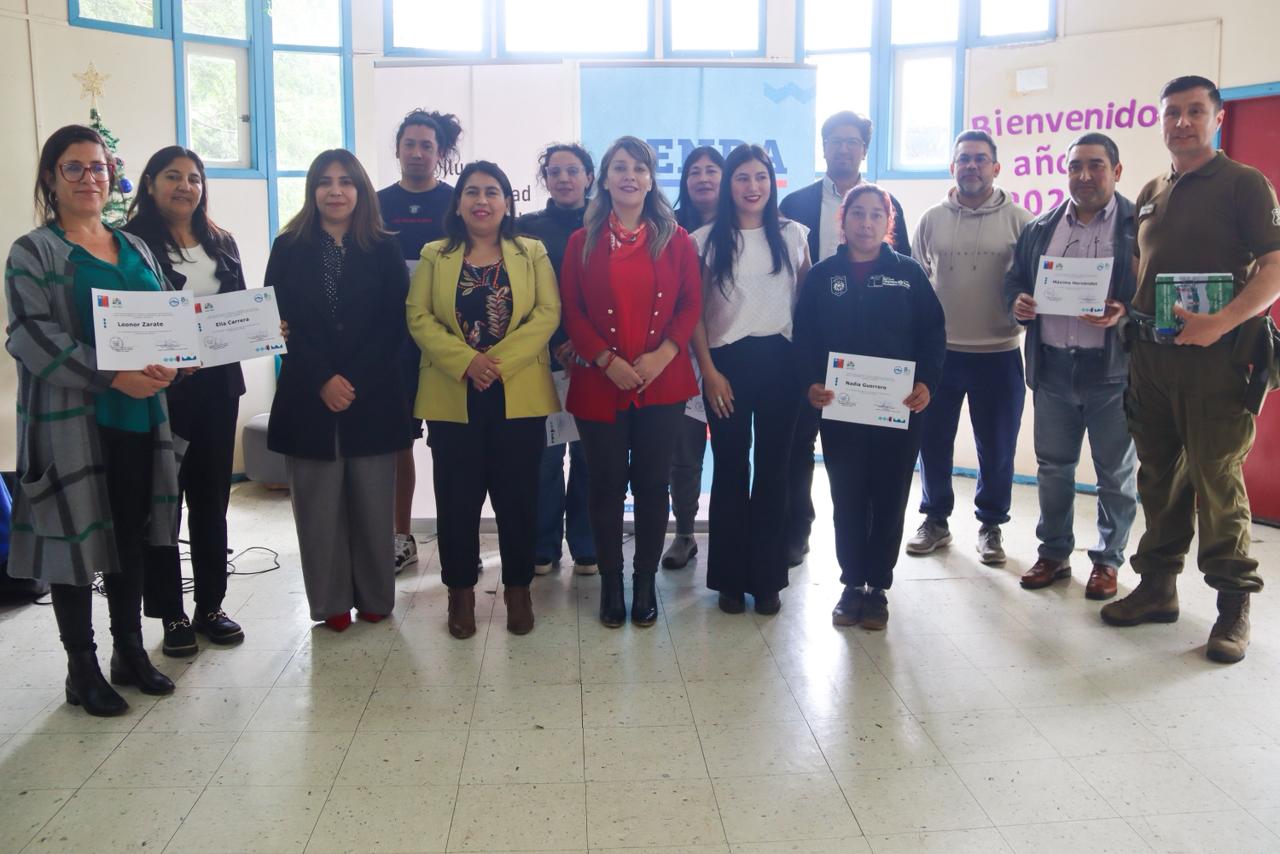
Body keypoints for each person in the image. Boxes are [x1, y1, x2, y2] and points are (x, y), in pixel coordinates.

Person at [1100, 76, 1280, 664]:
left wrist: (1222, 322)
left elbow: (1275, 268)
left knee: (1216, 478)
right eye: (1172, 112)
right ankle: (1158, 588)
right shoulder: (1152, 189)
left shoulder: (1244, 184)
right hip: (1151, 359)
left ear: (1217, 118)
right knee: (1158, 476)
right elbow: (1142, 267)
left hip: (1216, 360)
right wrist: (1124, 308)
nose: (1182, 121)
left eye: (1194, 111)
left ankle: (1233, 604)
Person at [5, 124, 182, 715]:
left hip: (136, 420)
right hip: (71, 422)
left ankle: (128, 651)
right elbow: (29, 336)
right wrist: (111, 377)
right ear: (52, 179)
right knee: (75, 543)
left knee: (131, 539)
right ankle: (80, 668)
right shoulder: (34, 251)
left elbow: (162, 321)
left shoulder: (135, 247)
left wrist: (171, 362)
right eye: (74, 168)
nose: (90, 178)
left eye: (99, 167)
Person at [409, 161, 560, 639]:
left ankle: (518, 590)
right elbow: (419, 316)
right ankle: (460, 593)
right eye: (471, 191)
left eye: (492, 191)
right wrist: (466, 362)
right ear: (458, 203)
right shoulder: (436, 253)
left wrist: (495, 363)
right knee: (457, 501)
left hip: (517, 395)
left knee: (518, 499)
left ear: (507, 202)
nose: (482, 200)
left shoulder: (531, 251)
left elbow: (547, 313)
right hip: (455, 393)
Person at [560, 136, 702, 627]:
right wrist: (604, 359)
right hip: (601, 383)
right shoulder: (581, 242)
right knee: (603, 486)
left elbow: (690, 305)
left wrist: (664, 353)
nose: (630, 176)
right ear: (603, 178)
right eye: (619, 167)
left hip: (661, 382)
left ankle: (644, 582)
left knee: (651, 483)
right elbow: (572, 311)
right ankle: (610, 585)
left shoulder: (676, 238)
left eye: (639, 169)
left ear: (650, 179)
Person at [267, 149, 410, 632]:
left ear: (361, 190)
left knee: (373, 506)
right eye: (324, 182)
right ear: (312, 191)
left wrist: (353, 382)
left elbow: (395, 325)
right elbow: (275, 324)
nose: (335, 191)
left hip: (372, 395)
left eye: (346, 182)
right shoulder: (288, 247)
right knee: (318, 511)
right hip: (308, 397)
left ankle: (374, 597)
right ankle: (330, 603)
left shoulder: (384, 246)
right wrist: (321, 378)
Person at [793, 183, 946, 630]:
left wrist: (926, 384)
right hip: (841, 411)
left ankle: (878, 587)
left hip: (897, 410)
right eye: (856, 214)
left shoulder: (909, 274)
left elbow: (933, 336)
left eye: (875, 215)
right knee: (848, 497)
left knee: (890, 497)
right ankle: (851, 583)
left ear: (888, 222)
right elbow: (805, 338)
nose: (865, 223)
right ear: (842, 221)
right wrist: (811, 384)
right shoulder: (822, 276)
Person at [1004, 133, 1138, 601]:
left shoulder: (1137, 227)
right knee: (1053, 468)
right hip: (1053, 368)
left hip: (1111, 371)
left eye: (1096, 165)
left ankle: (1107, 561)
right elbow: (1015, 281)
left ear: (1116, 171)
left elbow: (1153, 293)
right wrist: (1016, 303)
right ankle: (1054, 552)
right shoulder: (1041, 228)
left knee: (1115, 475)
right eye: (1076, 166)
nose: (1084, 176)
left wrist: (1125, 312)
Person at [124, 146, 247, 656]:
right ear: (151, 184)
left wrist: (262, 328)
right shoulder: (131, 245)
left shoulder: (221, 241)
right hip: (162, 393)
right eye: (173, 177)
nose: (185, 186)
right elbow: (131, 322)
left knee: (212, 502)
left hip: (218, 389)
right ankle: (171, 614)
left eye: (194, 178)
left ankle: (211, 606)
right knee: (164, 505)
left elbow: (239, 308)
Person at [779, 111, 911, 568]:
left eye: (852, 141)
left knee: (865, 461)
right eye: (834, 140)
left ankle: (870, 550)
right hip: (808, 346)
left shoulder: (884, 203)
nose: (842, 148)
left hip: (870, 363)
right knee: (799, 448)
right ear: (824, 146)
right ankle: (797, 531)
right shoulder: (794, 204)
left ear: (864, 149)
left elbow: (904, 281)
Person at [690, 143, 810, 614]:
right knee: (732, 471)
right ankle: (728, 579)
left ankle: (767, 580)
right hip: (727, 369)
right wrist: (710, 373)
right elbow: (695, 316)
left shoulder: (793, 235)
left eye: (760, 177)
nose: (752, 186)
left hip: (782, 365)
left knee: (775, 473)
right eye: (742, 178)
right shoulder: (704, 240)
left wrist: (805, 370)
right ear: (729, 185)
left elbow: (807, 309)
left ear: (771, 182)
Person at [908, 130, 1034, 564]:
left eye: (981, 159)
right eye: (963, 159)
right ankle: (936, 520)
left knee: (997, 446)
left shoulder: (1021, 220)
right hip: (941, 357)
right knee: (932, 440)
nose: (972, 166)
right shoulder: (931, 219)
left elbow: (1030, 281)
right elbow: (920, 280)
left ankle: (991, 525)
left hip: (999, 353)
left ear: (996, 168)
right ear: (952, 167)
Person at [377, 109, 464, 575]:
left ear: (441, 153)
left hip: (449, 345)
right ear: (397, 149)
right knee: (398, 443)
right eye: (409, 144)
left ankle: (459, 533)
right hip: (393, 347)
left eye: (426, 145)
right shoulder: (372, 204)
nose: (416, 153)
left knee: (451, 444)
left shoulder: (457, 205)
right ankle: (399, 535)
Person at [516, 143, 599, 578]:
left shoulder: (606, 224)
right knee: (544, 460)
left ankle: (586, 543)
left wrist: (586, 344)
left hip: (596, 361)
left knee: (588, 458)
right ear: (544, 180)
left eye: (573, 170)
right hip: (541, 361)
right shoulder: (525, 229)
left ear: (589, 176)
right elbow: (517, 295)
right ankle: (543, 545)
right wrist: (551, 344)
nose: (564, 178)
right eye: (555, 172)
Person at [662, 146, 724, 570]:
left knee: (736, 450)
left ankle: (732, 530)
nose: (703, 178)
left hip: (736, 355)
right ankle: (685, 532)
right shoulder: (668, 230)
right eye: (694, 172)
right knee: (683, 454)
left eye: (712, 171)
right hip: (681, 357)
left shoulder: (749, 226)